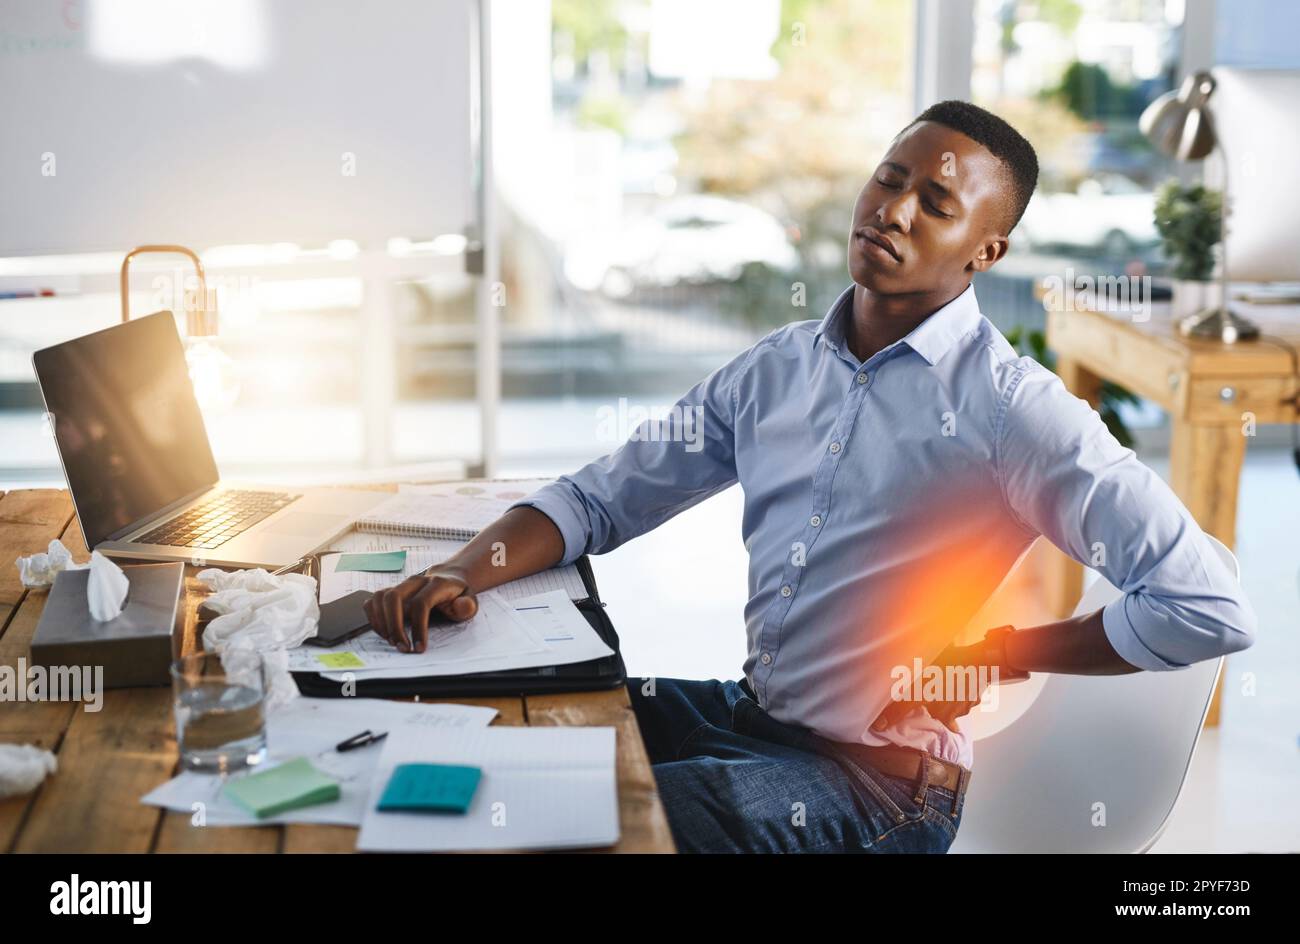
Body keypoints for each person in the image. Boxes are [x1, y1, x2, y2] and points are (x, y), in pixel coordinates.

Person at [364, 100, 1256, 853]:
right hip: (752, 720)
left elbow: (1206, 604)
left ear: (987, 252)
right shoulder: (776, 370)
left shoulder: (1014, 410)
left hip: (879, 786)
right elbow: (601, 497)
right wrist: (461, 570)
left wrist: (1006, 651)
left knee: (589, 819)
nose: (894, 211)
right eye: (890, 178)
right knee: (525, 727)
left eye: (937, 203)